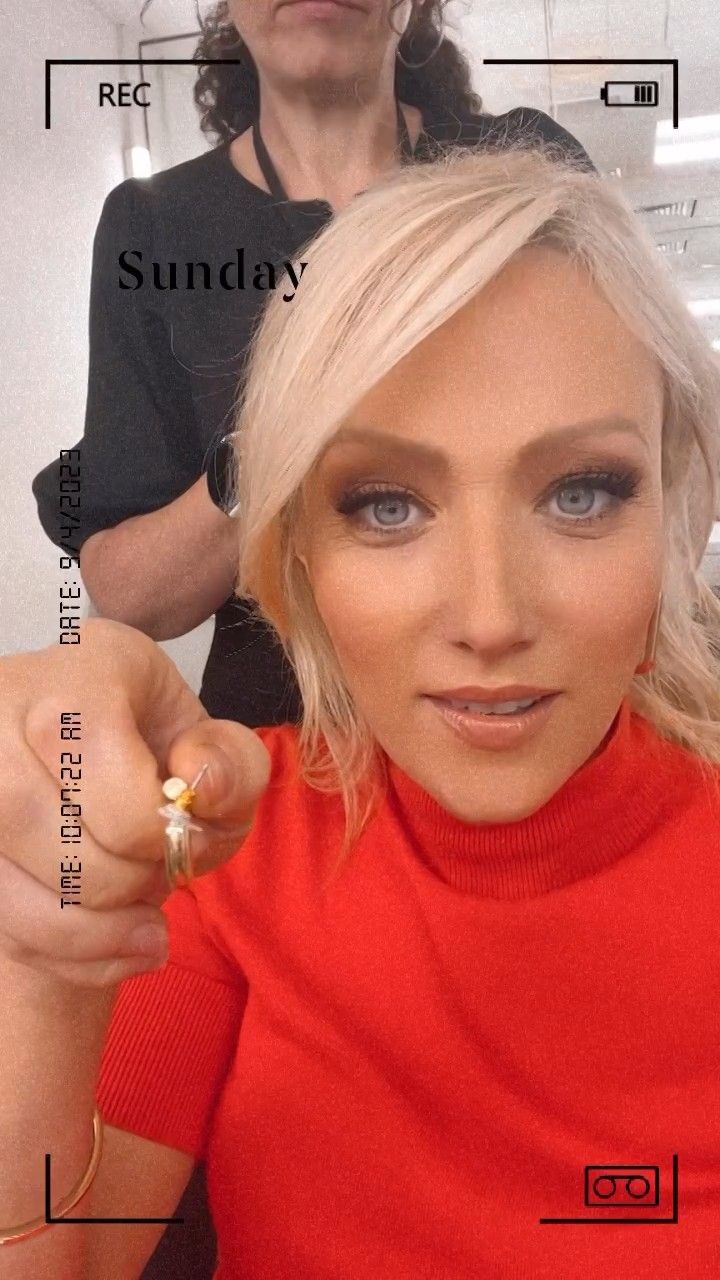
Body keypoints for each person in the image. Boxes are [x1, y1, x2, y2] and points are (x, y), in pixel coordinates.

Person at [5, 143, 720, 1280]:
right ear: (297, 553)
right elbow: (69, 1260)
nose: (490, 616)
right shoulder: (220, 842)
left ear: (674, 516)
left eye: (581, 492)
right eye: (387, 505)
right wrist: (37, 970)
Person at [31, 0, 594, 729]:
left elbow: (649, 448)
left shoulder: (526, 165)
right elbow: (135, 597)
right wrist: (279, 440)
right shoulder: (153, 225)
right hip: (286, 743)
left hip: (524, 703)